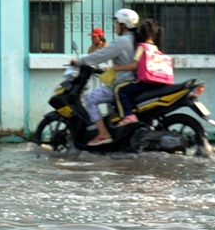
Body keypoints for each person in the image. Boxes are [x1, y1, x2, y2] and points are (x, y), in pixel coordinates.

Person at [71, 8, 139, 147]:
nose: (115, 27)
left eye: (117, 23)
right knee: (110, 107)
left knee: (90, 98)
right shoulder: (135, 39)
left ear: (123, 25)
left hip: (122, 84)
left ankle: (103, 133)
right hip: (134, 84)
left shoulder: (122, 41)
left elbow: (100, 56)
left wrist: (79, 62)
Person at [112, 18, 168, 121]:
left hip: (144, 81)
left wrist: (118, 68)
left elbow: (134, 65)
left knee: (119, 90)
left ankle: (127, 116)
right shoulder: (155, 47)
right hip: (155, 82)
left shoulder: (142, 47)